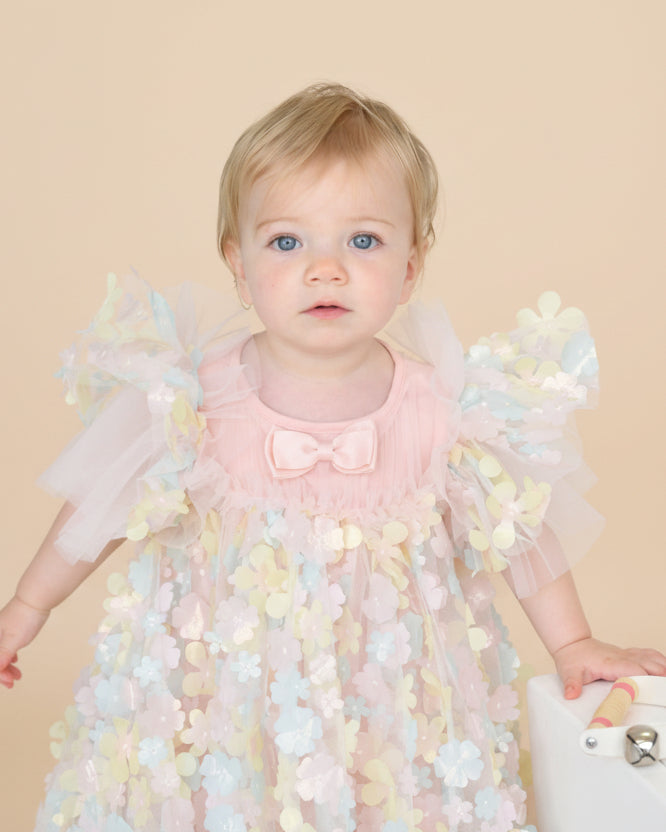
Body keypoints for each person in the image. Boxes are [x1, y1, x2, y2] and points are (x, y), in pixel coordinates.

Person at [1, 83, 664, 832]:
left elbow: (520, 528)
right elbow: (101, 501)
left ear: (410, 267)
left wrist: (572, 641)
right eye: (287, 243)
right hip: (227, 698)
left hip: (385, 700)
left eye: (363, 241)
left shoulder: (446, 410)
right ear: (238, 262)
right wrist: (28, 606)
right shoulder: (189, 400)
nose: (326, 269)